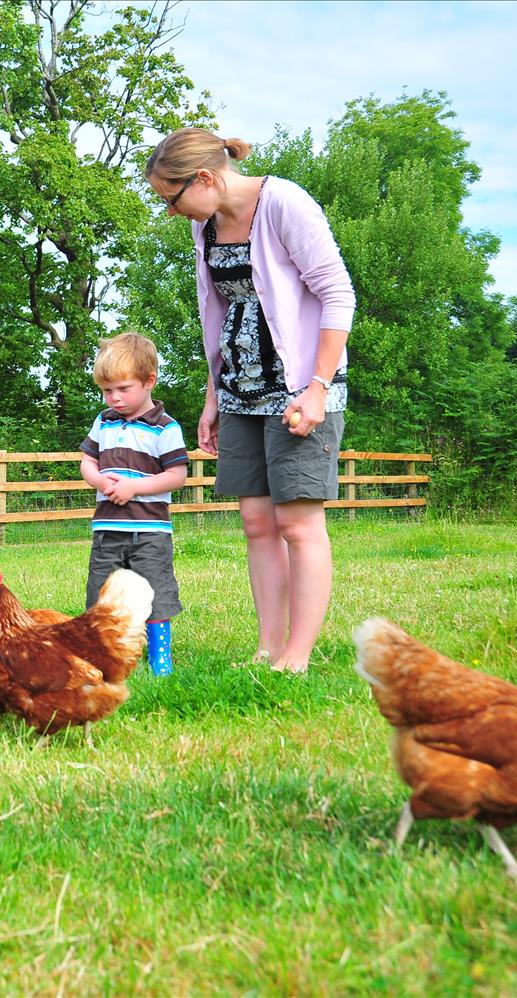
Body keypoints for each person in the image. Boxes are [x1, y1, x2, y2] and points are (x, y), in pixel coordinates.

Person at [145, 127, 355, 674]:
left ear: (206, 177)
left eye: (172, 198)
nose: (172, 211)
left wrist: (317, 388)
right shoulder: (208, 226)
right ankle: (267, 649)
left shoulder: (285, 204)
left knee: (298, 524)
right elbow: (217, 314)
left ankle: (298, 656)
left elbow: (338, 295)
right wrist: (213, 396)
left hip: (299, 390)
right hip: (240, 389)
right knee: (258, 524)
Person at [80, 332, 189, 675]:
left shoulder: (165, 428)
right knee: (101, 595)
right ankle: (102, 656)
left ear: (149, 381)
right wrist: (98, 480)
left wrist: (135, 488)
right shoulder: (104, 422)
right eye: (107, 390)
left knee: (156, 591)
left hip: (150, 532)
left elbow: (176, 476)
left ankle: (160, 657)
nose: (114, 398)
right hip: (107, 529)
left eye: (123, 389)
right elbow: (86, 462)